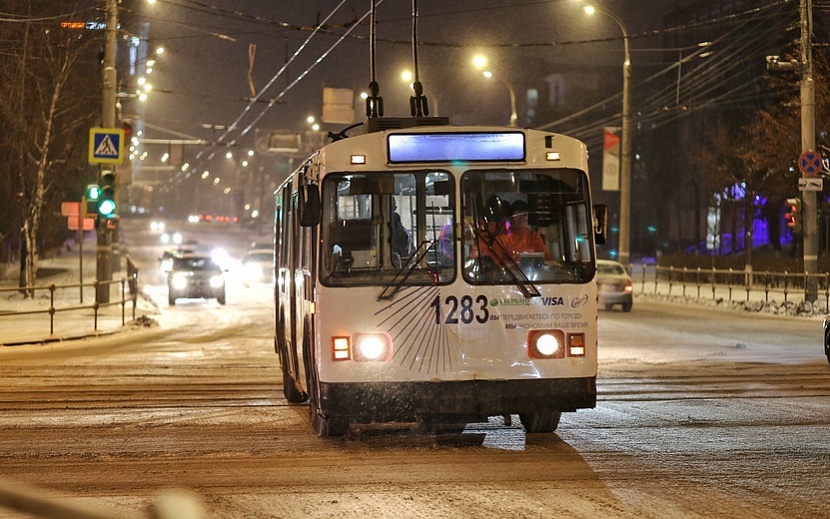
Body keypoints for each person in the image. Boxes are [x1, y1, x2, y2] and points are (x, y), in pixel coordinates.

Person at [495, 200, 557, 265]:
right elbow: (497, 264)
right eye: (518, 215)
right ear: (511, 218)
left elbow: (547, 258)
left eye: (525, 214)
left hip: (532, 273)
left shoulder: (533, 236)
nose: (522, 218)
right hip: (511, 274)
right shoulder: (501, 239)